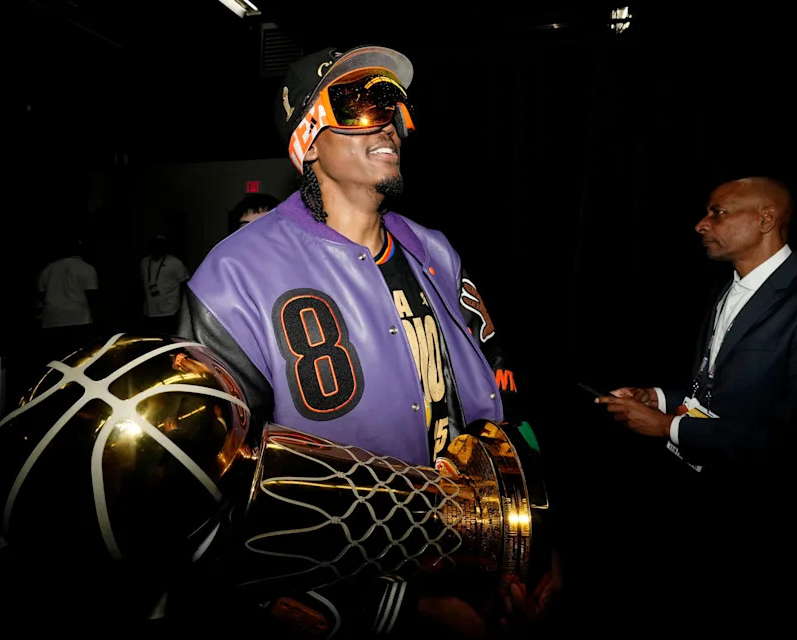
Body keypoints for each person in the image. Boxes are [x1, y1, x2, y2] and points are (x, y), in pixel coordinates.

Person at [174, 45, 559, 637]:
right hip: (347, 592)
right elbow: (206, 496)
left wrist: (534, 537)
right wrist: (395, 611)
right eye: (357, 103)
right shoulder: (235, 276)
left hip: (468, 557)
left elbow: (500, 399)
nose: (387, 120)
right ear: (306, 138)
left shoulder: (433, 250)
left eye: (393, 101)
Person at [595, 176, 797, 631]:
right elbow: (719, 393)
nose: (701, 225)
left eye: (718, 212)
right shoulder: (730, 290)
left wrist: (666, 427)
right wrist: (658, 398)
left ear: (766, 219)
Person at [35, 235, 99, 364]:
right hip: (79, 319)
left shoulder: (48, 269)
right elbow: (92, 296)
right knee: (78, 359)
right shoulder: (86, 268)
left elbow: (40, 296)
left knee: (55, 359)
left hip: (52, 319)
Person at [140, 233, 190, 335]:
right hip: (150, 311)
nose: (157, 248)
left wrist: (183, 309)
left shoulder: (175, 263)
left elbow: (185, 284)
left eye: (160, 245)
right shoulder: (145, 262)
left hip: (170, 311)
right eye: (154, 245)